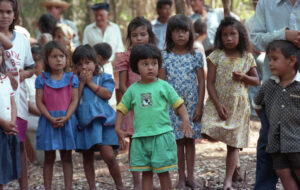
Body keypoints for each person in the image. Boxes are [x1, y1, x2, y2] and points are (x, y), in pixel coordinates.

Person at [115, 43, 194, 190]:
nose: (150, 67)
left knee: (163, 172)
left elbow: (179, 104)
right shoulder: (132, 90)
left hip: (161, 136)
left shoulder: (164, 86)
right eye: (145, 64)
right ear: (136, 66)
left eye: (154, 63)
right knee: (146, 173)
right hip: (141, 138)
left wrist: (186, 120)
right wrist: (117, 127)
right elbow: (121, 109)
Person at [200, 17, 259, 190]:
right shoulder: (215, 56)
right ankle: (234, 169)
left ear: (240, 35)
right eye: (224, 35)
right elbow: (209, 82)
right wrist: (217, 105)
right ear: (220, 36)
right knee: (207, 130)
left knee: (233, 145)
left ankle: (228, 181)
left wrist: (244, 77)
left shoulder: (247, 57)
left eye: (232, 34)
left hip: (238, 106)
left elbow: (256, 81)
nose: (229, 38)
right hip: (217, 103)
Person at [250, 0, 300, 189]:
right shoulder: (266, 3)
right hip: (275, 86)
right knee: (267, 145)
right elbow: (255, 39)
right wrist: (283, 35)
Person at [158, 14, 205, 189]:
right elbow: (161, 84)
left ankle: (191, 177)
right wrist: (163, 107)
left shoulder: (196, 55)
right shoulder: (164, 56)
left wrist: (200, 105)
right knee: (177, 141)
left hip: (192, 104)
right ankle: (180, 178)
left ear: (190, 34)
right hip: (172, 106)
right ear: (170, 34)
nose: (180, 35)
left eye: (184, 31)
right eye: (176, 31)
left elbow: (201, 82)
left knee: (190, 140)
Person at [73, 44, 125, 190]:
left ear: (96, 62)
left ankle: (119, 185)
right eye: (80, 64)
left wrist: (89, 82)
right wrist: (82, 83)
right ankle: (92, 187)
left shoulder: (104, 77)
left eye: (87, 63)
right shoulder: (75, 81)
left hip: (103, 122)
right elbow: (74, 99)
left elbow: (107, 94)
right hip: (84, 122)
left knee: (108, 155)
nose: (84, 67)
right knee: (87, 157)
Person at [114, 16, 156, 190]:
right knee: (135, 143)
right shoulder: (125, 57)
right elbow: (123, 85)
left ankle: (149, 180)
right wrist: (134, 101)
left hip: (153, 106)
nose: (139, 38)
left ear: (149, 35)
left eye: (142, 34)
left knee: (151, 143)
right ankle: (137, 182)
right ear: (129, 38)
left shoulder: (154, 55)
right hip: (133, 107)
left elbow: (158, 82)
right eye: (134, 35)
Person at [35, 41, 78, 190]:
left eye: (61, 56)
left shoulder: (72, 78)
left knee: (66, 157)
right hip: (48, 122)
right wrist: (50, 118)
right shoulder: (41, 79)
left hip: (67, 121)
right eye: (54, 56)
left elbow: (74, 100)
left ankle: (68, 187)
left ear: (67, 58)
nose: (58, 59)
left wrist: (66, 117)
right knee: (49, 158)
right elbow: (39, 102)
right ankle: (47, 187)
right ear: (47, 59)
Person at [0, 1, 35, 189]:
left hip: (18, 101)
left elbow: (31, 67)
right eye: (0, 12)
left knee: (19, 143)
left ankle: (24, 186)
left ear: (14, 14)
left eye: (8, 12)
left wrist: (22, 75)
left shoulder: (21, 39)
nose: (4, 16)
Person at [0, 43, 21, 190]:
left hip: (7, 129)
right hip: (1, 127)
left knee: (3, 167)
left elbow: (12, 103)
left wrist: (12, 123)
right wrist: (3, 123)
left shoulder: (5, 79)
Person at [93, 43, 117, 110]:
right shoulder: (109, 65)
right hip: (112, 102)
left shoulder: (102, 70)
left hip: (107, 104)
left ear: (99, 57)